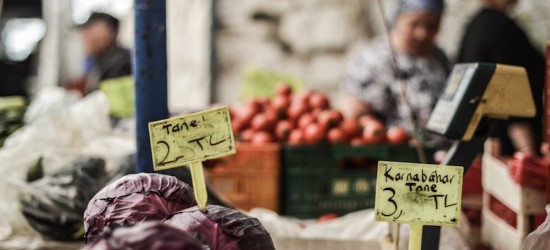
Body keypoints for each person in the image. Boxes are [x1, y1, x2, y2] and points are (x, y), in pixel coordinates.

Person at [339, 0, 450, 147]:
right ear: (397, 19)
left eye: (432, 26)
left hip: (442, 161)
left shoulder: (439, 57)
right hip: (397, 161)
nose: (422, 33)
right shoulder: (374, 60)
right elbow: (352, 116)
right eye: (414, 24)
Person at [456, 0, 544, 156]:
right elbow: (512, 91)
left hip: (480, 140)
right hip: (505, 144)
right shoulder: (501, 28)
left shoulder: (474, 25)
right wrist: (528, 153)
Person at [71, 12, 132, 96]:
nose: (84, 37)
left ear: (107, 34)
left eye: (88, 30)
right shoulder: (101, 62)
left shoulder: (121, 64)